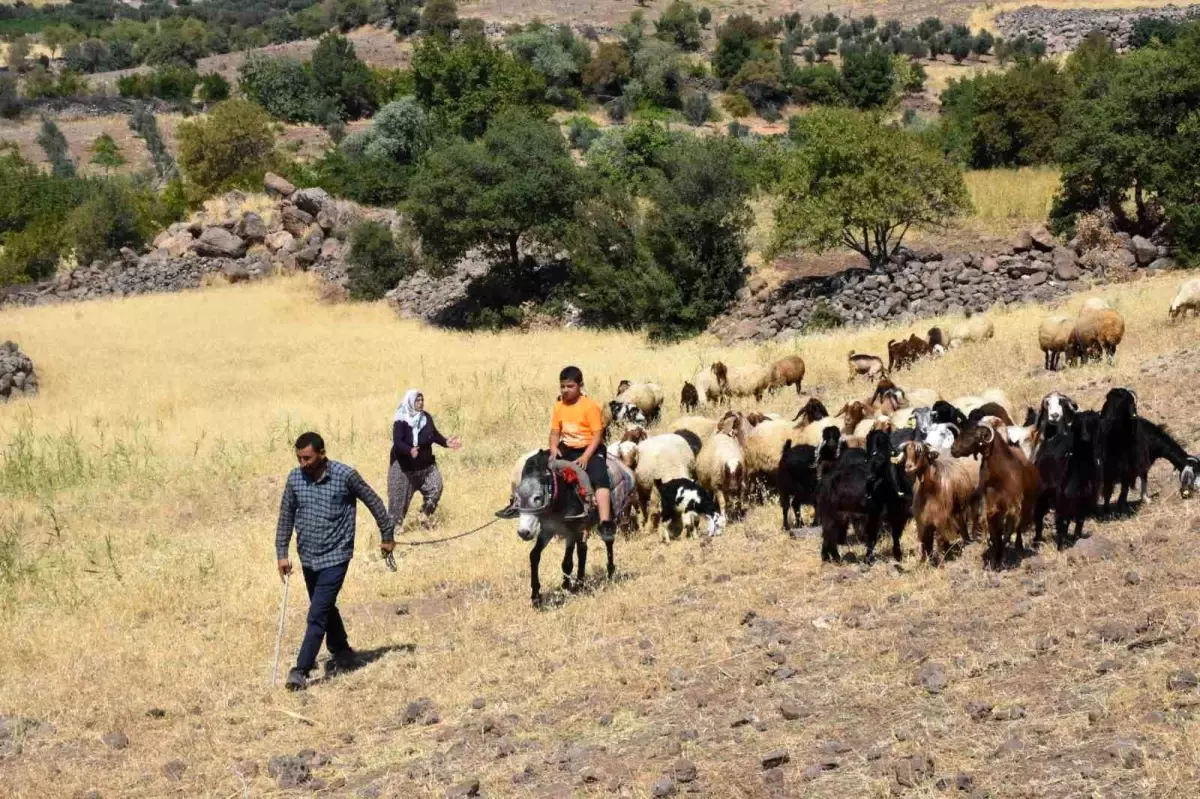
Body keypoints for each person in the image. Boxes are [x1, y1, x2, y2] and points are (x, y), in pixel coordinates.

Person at [275, 431, 394, 692]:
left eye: (307, 458)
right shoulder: (295, 479)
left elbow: (373, 501)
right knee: (324, 607)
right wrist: (282, 553)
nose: (303, 464)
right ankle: (341, 650)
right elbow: (285, 515)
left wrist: (387, 535)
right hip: (308, 556)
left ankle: (300, 670)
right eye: (299, 458)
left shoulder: (344, 475)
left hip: (336, 555)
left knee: (316, 614)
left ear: (321, 454)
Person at [551, 366, 615, 539]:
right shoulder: (559, 407)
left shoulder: (590, 407)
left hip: (590, 449)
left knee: (600, 477)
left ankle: (605, 522)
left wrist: (586, 456)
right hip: (568, 448)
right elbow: (555, 432)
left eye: (570, 386)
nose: (565, 390)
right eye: (562, 386)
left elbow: (597, 435)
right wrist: (553, 448)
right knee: (550, 475)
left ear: (580, 386)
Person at [389, 389, 462, 529]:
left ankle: (424, 516)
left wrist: (446, 442)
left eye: (422, 400)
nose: (421, 403)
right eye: (417, 400)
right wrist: (409, 450)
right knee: (397, 508)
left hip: (426, 467)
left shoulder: (425, 418)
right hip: (404, 470)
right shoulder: (401, 421)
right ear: (410, 402)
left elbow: (433, 435)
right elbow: (397, 442)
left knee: (436, 487)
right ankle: (392, 535)